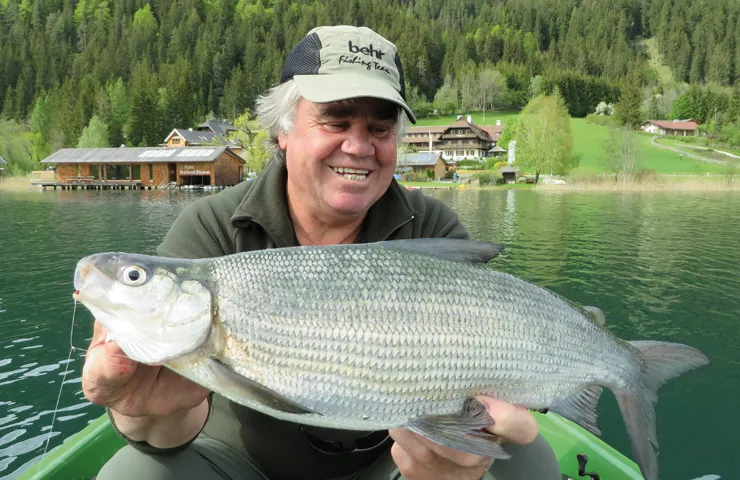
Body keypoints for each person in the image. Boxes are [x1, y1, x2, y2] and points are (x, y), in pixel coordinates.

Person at [82, 25, 560, 480]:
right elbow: (168, 436)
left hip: (392, 462)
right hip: (241, 464)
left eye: (380, 127)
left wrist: (453, 463)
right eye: (336, 119)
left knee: (525, 461)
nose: (359, 146)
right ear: (283, 132)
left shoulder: (432, 227)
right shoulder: (211, 229)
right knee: (133, 471)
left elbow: (470, 409)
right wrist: (140, 415)